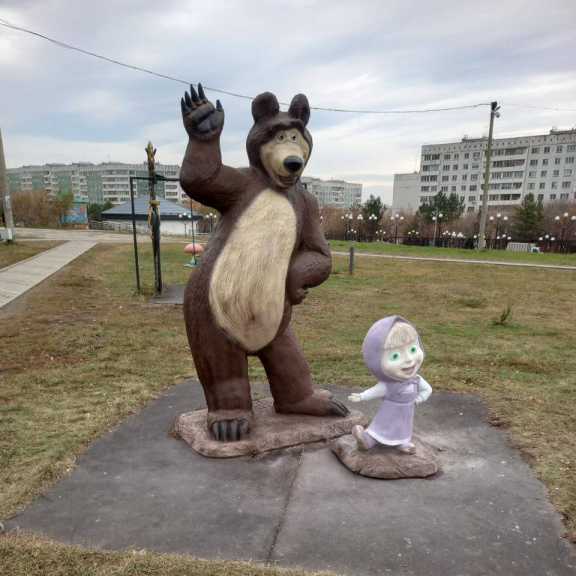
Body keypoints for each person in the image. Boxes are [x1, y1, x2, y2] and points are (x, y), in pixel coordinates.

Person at [348, 316, 432, 454]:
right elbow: (376, 390)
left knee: (403, 428)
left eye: (412, 350)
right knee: (380, 428)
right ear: (376, 361)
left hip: (406, 413)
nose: (409, 360)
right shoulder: (389, 385)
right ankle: (367, 440)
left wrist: (419, 399)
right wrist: (362, 396)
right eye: (395, 356)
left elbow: (427, 389)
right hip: (388, 413)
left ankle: (403, 443)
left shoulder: (416, 380)